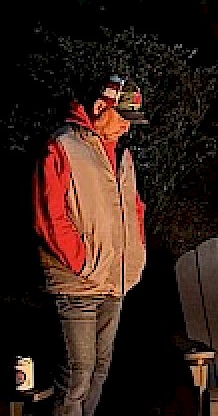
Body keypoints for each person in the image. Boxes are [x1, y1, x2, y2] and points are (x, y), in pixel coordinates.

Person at [32, 74, 149, 416]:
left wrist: (136, 254)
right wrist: (83, 262)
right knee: (78, 373)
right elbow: (49, 216)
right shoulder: (63, 146)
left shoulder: (123, 156)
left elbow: (135, 207)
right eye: (123, 118)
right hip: (78, 280)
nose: (128, 128)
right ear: (101, 107)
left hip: (116, 278)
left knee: (100, 370)